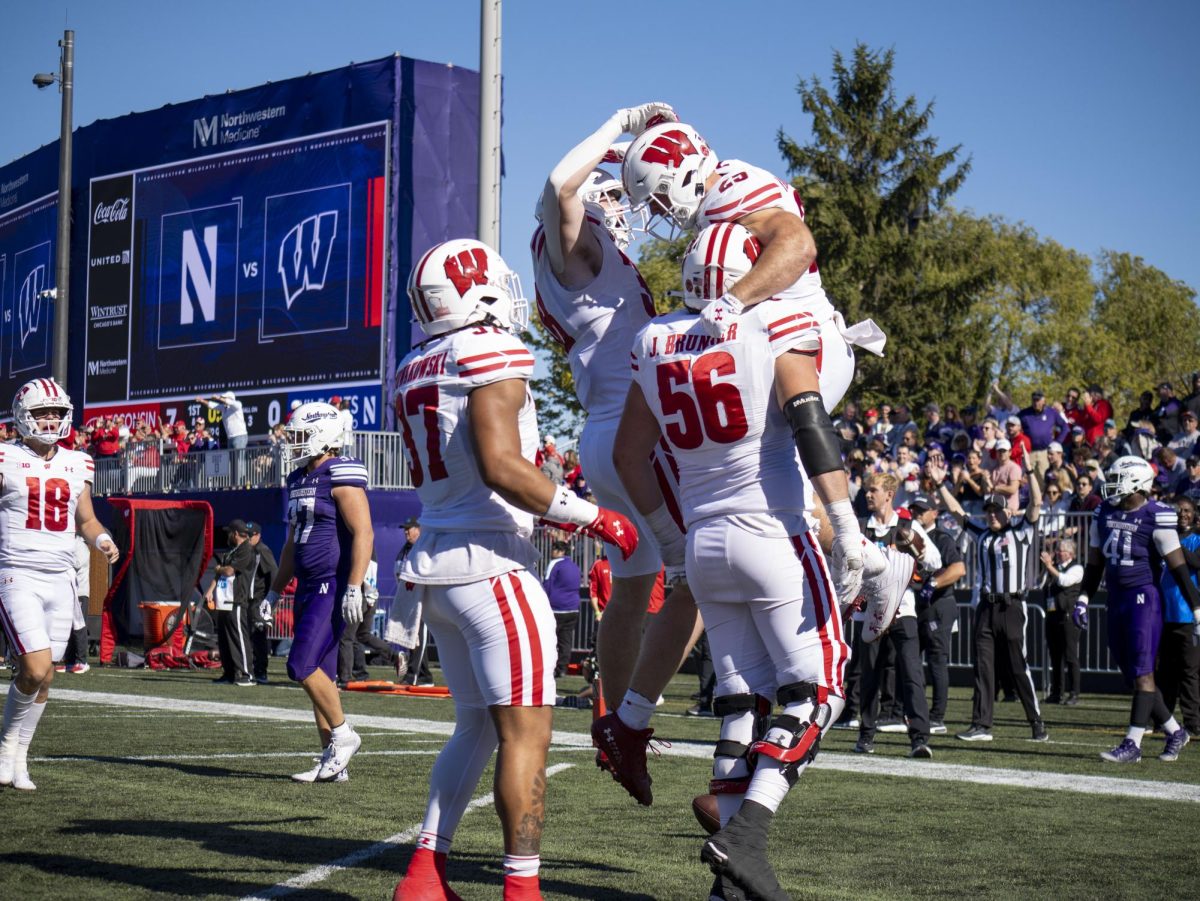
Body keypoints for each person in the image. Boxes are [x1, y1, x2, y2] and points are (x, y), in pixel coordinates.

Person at [612, 223, 885, 901]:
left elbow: (629, 455)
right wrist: (845, 521)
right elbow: (808, 418)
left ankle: (727, 888)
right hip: (773, 532)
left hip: (704, 543)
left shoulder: (653, 340)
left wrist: (672, 542)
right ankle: (746, 837)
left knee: (744, 702)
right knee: (819, 690)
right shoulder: (771, 321)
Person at [391, 239, 636, 901]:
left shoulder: (415, 364)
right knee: (526, 734)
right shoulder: (488, 352)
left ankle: (422, 876)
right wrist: (594, 517)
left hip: (440, 567)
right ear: (479, 291)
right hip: (493, 567)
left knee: (473, 726)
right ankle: (521, 890)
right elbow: (501, 464)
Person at [532, 102, 697, 738]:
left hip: (607, 434)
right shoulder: (572, 245)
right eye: (615, 196)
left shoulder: (595, 263)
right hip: (636, 437)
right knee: (710, 572)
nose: (629, 211)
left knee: (634, 590)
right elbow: (557, 186)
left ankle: (615, 717)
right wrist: (623, 123)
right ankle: (648, 711)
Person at [0, 378, 120, 791]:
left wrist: (102, 539)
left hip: (61, 575)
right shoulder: (4, 457)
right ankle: (4, 748)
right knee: (33, 666)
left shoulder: (78, 462)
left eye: (56, 412)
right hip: (17, 571)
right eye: (40, 413)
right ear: (22, 416)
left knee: (46, 675)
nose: (50, 420)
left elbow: (85, 519)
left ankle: (20, 759)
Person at [265, 401, 373, 784]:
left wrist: (355, 585)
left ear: (322, 436)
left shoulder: (340, 472)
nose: (291, 443)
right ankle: (334, 761)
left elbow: (364, 532)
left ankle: (345, 736)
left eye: (298, 437)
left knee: (300, 666)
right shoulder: (297, 479)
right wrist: (275, 592)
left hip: (333, 583)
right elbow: (292, 546)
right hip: (308, 585)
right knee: (321, 673)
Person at [1075, 457, 1198, 762]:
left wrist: (1197, 609)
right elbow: (1094, 563)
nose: (1112, 483)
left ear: (1137, 483)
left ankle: (1133, 743)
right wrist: (1083, 598)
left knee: (1144, 674)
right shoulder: (1103, 512)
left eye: (1119, 477)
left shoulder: (1157, 516)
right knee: (1134, 676)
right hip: (1116, 598)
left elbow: (1180, 570)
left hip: (1144, 598)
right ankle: (1174, 731)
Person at [936, 477, 1048, 742]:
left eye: (997, 510)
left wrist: (1030, 473)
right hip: (987, 606)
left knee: (1017, 666)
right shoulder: (982, 534)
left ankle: (1036, 721)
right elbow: (957, 512)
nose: (992, 515)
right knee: (983, 667)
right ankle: (981, 724)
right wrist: (941, 484)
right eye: (988, 511)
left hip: (1012, 605)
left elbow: (1036, 503)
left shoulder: (1021, 531)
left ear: (1008, 512)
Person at [908, 493, 966, 733]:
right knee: (909, 660)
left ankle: (937, 716)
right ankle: (908, 710)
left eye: (922, 510)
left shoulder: (942, 538)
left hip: (938, 603)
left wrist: (934, 583)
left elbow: (958, 568)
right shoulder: (908, 536)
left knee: (936, 661)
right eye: (914, 510)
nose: (917, 514)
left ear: (935, 513)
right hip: (915, 604)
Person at [1157, 497, 1200, 735]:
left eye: (1187, 510)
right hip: (1164, 615)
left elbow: (1195, 562)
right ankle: (1163, 721)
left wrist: (1172, 544)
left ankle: (1193, 724)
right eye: (1178, 510)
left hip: (1189, 617)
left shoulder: (1196, 541)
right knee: (1164, 672)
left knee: (1189, 672)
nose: (1182, 514)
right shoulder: (1160, 540)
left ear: (1194, 515)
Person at [1040, 537, 1085, 705]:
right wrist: (1047, 568)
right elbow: (1040, 583)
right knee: (1055, 656)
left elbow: (1065, 580)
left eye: (1061, 551)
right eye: (1057, 551)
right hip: (1052, 616)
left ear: (1071, 553)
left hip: (1068, 617)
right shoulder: (1053, 569)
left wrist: (1050, 567)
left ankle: (1074, 693)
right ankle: (1056, 693)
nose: (1058, 554)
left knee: (1071, 656)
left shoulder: (1077, 568)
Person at [212, 520, 256, 686]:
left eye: (230, 532)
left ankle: (246, 673)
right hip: (225, 600)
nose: (228, 535)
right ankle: (229, 672)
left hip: (237, 599)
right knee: (224, 639)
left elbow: (229, 571)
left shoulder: (246, 550)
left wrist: (218, 569)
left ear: (236, 533)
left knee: (239, 637)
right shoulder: (232, 551)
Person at [543, 540, 582, 679]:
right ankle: (563, 668)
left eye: (554, 549)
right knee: (565, 641)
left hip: (556, 608)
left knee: (549, 639)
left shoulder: (554, 564)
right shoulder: (574, 565)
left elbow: (547, 584)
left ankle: (549, 668)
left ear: (560, 551)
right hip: (573, 608)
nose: (551, 552)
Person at [246, 521, 278, 685]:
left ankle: (261, 671)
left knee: (258, 636)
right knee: (249, 635)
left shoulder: (262, 551)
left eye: (250, 536)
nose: (248, 539)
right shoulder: (249, 551)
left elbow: (273, 573)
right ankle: (250, 669)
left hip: (258, 600)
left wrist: (270, 599)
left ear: (258, 535)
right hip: (249, 599)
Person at [56, 535, 92, 674]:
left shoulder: (80, 545)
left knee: (79, 626)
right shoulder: (69, 543)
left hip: (80, 592)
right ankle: (70, 661)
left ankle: (82, 661)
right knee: (68, 627)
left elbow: (76, 563)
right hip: (68, 591)